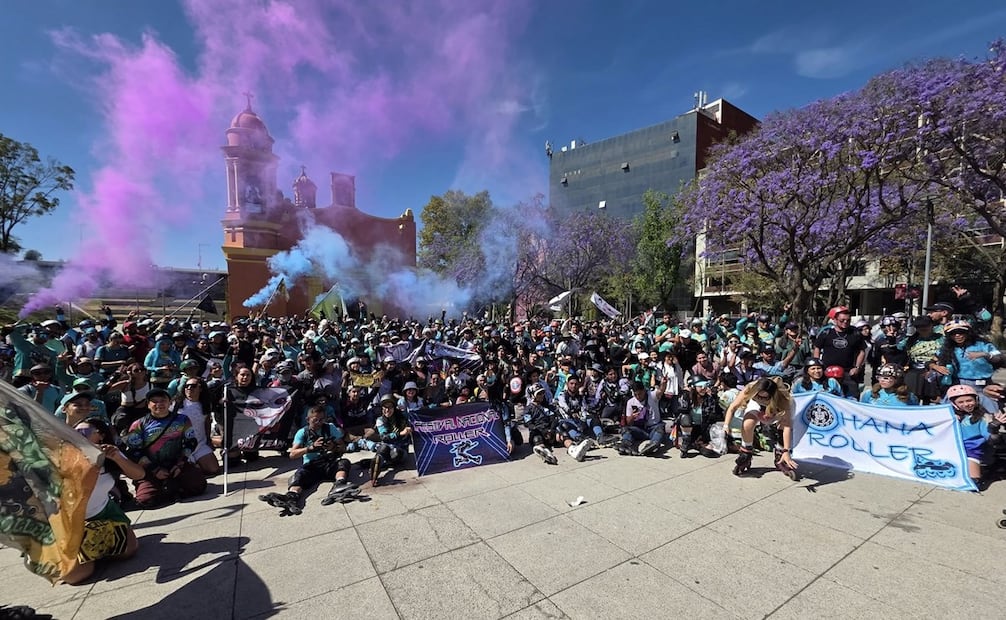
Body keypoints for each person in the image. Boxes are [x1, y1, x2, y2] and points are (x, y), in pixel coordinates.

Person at [62, 418, 143, 585]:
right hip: (73, 521)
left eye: (84, 432)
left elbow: (139, 475)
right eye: (76, 432)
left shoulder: (110, 453)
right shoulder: (65, 456)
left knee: (129, 550)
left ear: (100, 436)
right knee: (76, 576)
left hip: (105, 513)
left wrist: (117, 458)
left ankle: (93, 550)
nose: (79, 435)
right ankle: (79, 552)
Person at [259, 406, 358, 514]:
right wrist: (309, 448)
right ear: (308, 420)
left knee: (344, 463)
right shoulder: (302, 433)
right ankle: (291, 496)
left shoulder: (330, 428)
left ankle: (339, 485)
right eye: (315, 420)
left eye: (321, 419)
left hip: (328, 463)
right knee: (300, 474)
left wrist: (333, 447)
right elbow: (292, 454)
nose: (319, 423)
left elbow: (342, 447)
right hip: (312, 465)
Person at [121, 388, 208, 509]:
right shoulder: (139, 425)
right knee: (146, 500)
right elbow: (134, 451)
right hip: (151, 468)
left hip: (176, 465)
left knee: (199, 486)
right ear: (148, 404)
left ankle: (173, 486)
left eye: (163, 400)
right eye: (154, 401)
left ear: (169, 402)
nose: (159, 404)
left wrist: (180, 463)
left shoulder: (183, 419)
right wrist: (155, 470)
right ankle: (165, 489)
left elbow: (190, 441)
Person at [723, 377, 798, 480]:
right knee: (748, 422)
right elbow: (732, 407)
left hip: (776, 407)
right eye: (759, 396)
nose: (761, 399)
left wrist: (786, 450)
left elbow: (787, 426)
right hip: (758, 407)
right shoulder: (750, 389)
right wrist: (726, 426)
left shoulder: (784, 399)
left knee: (783, 425)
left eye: (764, 398)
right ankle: (746, 452)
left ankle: (780, 455)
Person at [946, 384, 1006, 491]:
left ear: (976, 400)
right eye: (961, 402)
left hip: (971, 451)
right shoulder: (947, 416)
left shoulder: (982, 417)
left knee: (972, 484)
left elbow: (993, 440)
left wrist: (994, 427)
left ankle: (990, 470)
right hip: (950, 449)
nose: (967, 404)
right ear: (953, 404)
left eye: (969, 400)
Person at [936, 321, 1002, 413]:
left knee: (991, 411)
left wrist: (983, 354)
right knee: (949, 412)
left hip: (981, 386)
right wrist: (935, 367)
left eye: (961, 332)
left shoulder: (982, 345)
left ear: (968, 333)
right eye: (953, 333)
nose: (957, 335)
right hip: (957, 385)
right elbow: (934, 359)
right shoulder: (948, 348)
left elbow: (998, 358)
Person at [812, 306, 867, 397]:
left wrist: (857, 367)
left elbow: (862, 351)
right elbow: (817, 348)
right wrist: (817, 366)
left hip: (848, 373)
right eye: (842, 320)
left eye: (848, 320)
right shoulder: (826, 332)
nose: (845, 322)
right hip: (827, 372)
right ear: (835, 320)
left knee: (852, 398)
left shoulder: (855, 333)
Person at [174, 377, 219, 475]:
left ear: (200, 388)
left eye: (193, 386)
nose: (189, 388)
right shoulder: (176, 404)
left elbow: (207, 423)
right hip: (182, 447)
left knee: (213, 469)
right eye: (187, 386)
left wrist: (208, 440)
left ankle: (196, 465)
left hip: (200, 444)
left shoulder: (205, 405)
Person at [621, 377, 667, 456]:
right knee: (626, 429)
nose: (638, 397)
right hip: (640, 429)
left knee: (660, 428)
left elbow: (661, 391)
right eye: (635, 394)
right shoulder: (631, 402)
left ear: (644, 391)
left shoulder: (652, 395)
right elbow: (628, 422)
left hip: (653, 427)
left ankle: (653, 444)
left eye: (640, 394)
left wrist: (663, 383)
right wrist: (632, 417)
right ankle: (626, 443)